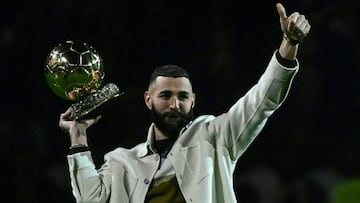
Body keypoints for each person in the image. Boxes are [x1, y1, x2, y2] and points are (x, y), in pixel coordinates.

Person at [59, 3, 311, 203]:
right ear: (148, 99)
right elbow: (90, 199)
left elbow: (262, 101)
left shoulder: (214, 137)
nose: (175, 104)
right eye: (165, 95)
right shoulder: (122, 162)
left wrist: (288, 45)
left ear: (193, 101)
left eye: (182, 96)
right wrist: (78, 136)